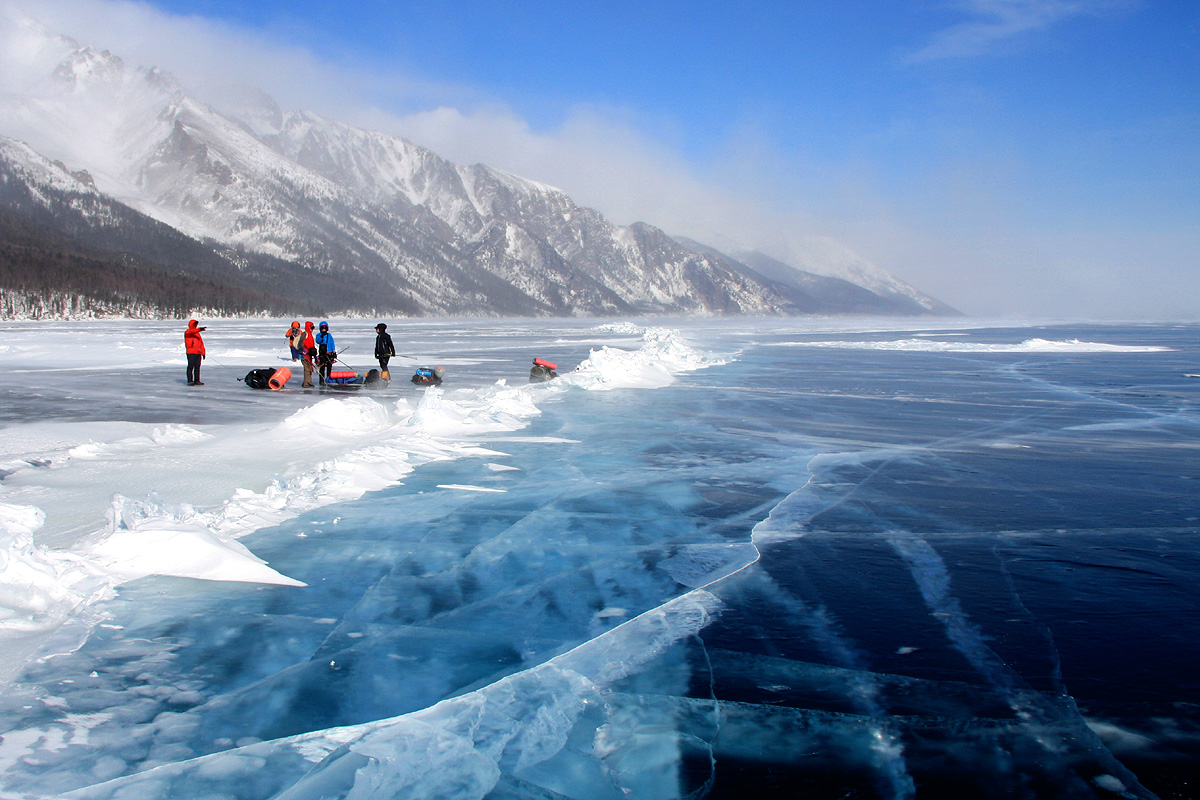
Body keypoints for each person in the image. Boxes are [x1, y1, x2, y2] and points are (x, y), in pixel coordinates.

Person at [184, 319, 206, 386]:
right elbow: (192, 331)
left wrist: (203, 352)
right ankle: (190, 381)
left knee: (197, 367)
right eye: (194, 324)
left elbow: (201, 343)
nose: (195, 326)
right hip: (191, 352)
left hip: (198, 352)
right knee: (190, 366)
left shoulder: (197, 334)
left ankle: (197, 380)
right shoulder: (188, 332)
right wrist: (199, 329)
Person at [314, 320, 336, 385]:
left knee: (329, 366)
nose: (324, 329)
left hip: (329, 353)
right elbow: (318, 341)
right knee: (322, 367)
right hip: (323, 353)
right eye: (322, 328)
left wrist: (334, 351)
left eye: (325, 328)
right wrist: (322, 336)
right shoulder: (319, 335)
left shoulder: (329, 335)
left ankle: (329, 380)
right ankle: (321, 381)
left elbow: (332, 343)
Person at [300, 320, 317, 387]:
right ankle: (306, 383)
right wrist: (304, 349)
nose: (312, 329)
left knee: (309, 368)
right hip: (304, 355)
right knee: (307, 369)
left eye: (313, 328)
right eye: (311, 327)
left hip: (309, 354)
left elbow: (311, 344)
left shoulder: (310, 335)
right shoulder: (305, 334)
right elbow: (301, 343)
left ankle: (308, 382)